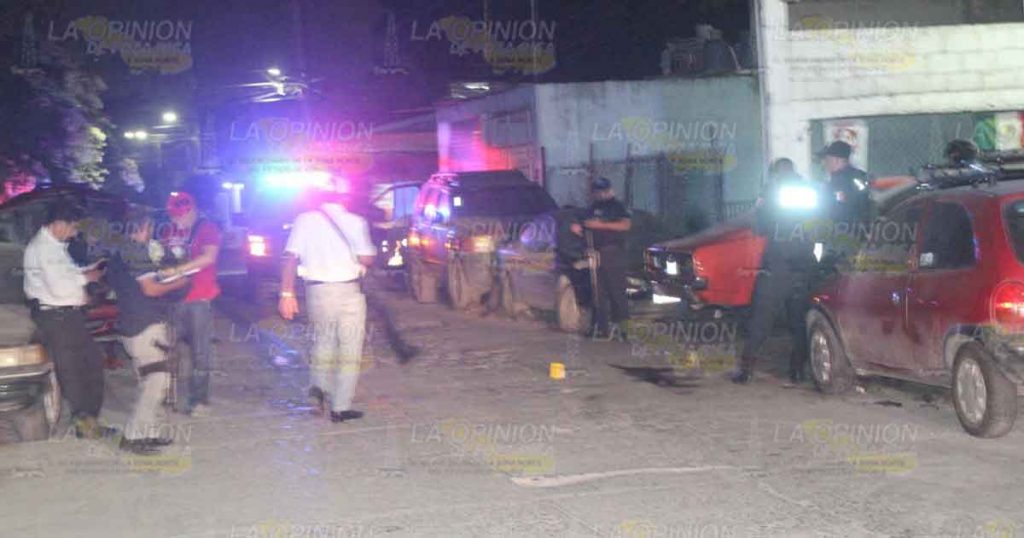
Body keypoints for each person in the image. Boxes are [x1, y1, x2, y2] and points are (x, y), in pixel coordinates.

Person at [278, 178, 376, 423]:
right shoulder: (356, 222)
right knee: (350, 350)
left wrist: (286, 294)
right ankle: (340, 407)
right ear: (346, 197)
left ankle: (317, 395)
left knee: (322, 343)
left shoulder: (304, 220)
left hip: (318, 291)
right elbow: (367, 258)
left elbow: (289, 258)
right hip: (349, 291)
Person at [731, 158, 825, 385]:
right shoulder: (810, 191)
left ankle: (747, 370)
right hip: (804, 264)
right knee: (800, 321)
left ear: (775, 173)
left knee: (761, 318)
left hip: (778, 265)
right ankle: (797, 371)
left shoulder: (772, 192)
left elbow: (760, 225)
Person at [23, 199, 112, 438]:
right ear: (59, 224)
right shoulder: (44, 249)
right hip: (57, 317)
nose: (74, 234)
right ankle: (85, 423)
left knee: (89, 365)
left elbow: (68, 273)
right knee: (75, 371)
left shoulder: (53, 246)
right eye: (73, 228)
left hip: (64, 316)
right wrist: (87, 278)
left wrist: (89, 270)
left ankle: (87, 420)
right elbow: (61, 289)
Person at [105, 210, 191, 454]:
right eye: (149, 227)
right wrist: (180, 282)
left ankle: (149, 432)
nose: (151, 232)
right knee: (157, 381)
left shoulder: (118, 253)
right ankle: (133, 435)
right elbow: (150, 289)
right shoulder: (136, 252)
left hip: (131, 323)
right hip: (144, 325)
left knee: (150, 380)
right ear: (139, 228)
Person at [158, 190, 222, 417]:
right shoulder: (168, 230)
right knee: (168, 350)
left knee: (200, 354)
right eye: (174, 217)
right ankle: (169, 395)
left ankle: (199, 400)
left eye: (181, 216)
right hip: (173, 298)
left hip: (199, 298)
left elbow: (208, 258)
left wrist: (177, 270)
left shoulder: (207, 229)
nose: (178, 221)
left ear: (192, 210)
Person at [571, 177, 632, 339]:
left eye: (603, 190)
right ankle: (600, 327)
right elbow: (585, 224)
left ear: (609, 190)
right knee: (598, 292)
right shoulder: (593, 208)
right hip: (595, 254)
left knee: (616, 291)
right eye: (597, 191)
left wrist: (601, 225)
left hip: (613, 253)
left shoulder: (616, 206)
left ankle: (624, 329)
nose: (600, 194)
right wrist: (579, 228)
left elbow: (625, 225)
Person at [817, 141, 871, 225]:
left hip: (849, 230)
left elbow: (861, 204)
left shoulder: (855, 179)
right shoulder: (835, 179)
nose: (824, 163)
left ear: (836, 160)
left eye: (827, 159)